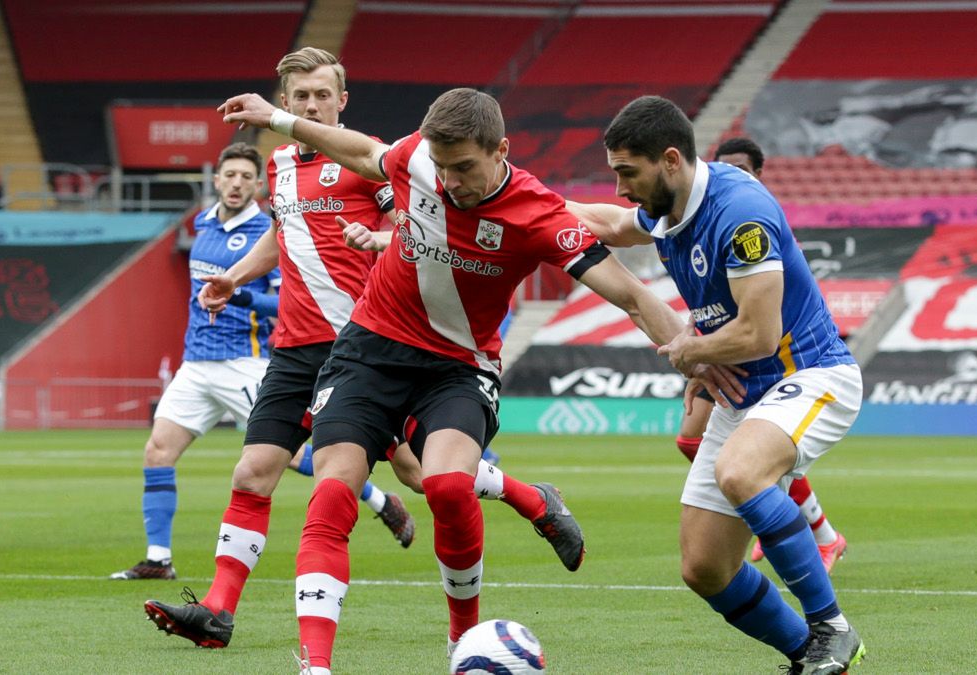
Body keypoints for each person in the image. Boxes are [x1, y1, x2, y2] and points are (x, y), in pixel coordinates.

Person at [206, 86, 684, 674]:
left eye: (465, 168)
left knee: (448, 488)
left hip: (459, 366)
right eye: (443, 166)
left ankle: (462, 641)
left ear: (501, 150)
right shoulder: (417, 160)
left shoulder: (537, 214)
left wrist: (696, 356)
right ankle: (316, 668)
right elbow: (358, 151)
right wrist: (276, 118)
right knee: (331, 492)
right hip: (369, 351)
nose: (451, 181)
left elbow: (633, 296)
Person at [142, 51, 594, 657]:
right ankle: (218, 612)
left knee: (426, 475)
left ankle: (533, 499)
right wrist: (236, 276)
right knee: (252, 473)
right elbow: (285, 233)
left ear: (341, 101)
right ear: (287, 97)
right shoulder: (277, 166)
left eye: (321, 96)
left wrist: (378, 238)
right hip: (297, 349)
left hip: (374, 346)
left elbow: (424, 222)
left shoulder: (367, 160)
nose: (310, 106)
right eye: (300, 96)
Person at [569, 97, 865, 674]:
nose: (623, 188)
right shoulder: (670, 204)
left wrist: (689, 349)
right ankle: (810, 658)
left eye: (628, 173)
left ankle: (833, 628)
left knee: (740, 472)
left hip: (808, 374)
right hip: (744, 393)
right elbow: (607, 222)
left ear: (671, 160)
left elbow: (760, 332)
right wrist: (512, 202)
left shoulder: (741, 213)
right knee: (705, 568)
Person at [108, 142, 416, 581]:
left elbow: (287, 298)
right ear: (215, 180)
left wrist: (242, 295)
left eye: (244, 177)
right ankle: (158, 559)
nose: (234, 183)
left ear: (258, 185)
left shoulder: (270, 229)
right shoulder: (202, 225)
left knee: (283, 459)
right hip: (197, 361)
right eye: (227, 175)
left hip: (246, 361)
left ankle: (377, 498)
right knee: (158, 451)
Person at [674, 137, 847, 574]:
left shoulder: (755, 221)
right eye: (727, 166)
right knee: (691, 440)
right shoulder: (707, 216)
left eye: (744, 168)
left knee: (750, 460)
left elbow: (767, 309)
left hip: (772, 357)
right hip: (727, 356)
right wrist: (700, 349)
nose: (735, 174)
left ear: (759, 174)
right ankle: (783, 515)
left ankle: (817, 534)